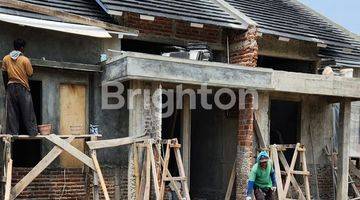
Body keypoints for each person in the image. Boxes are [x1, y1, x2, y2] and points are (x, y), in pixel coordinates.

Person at [1, 39, 38, 135]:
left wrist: (7, 88)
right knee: (28, 110)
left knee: (12, 112)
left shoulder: (5, 59)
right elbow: (30, 74)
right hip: (22, 86)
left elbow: (4, 74)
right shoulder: (25, 59)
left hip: (10, 86)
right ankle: (32, 132)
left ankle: (13, 133)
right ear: (22, 48)